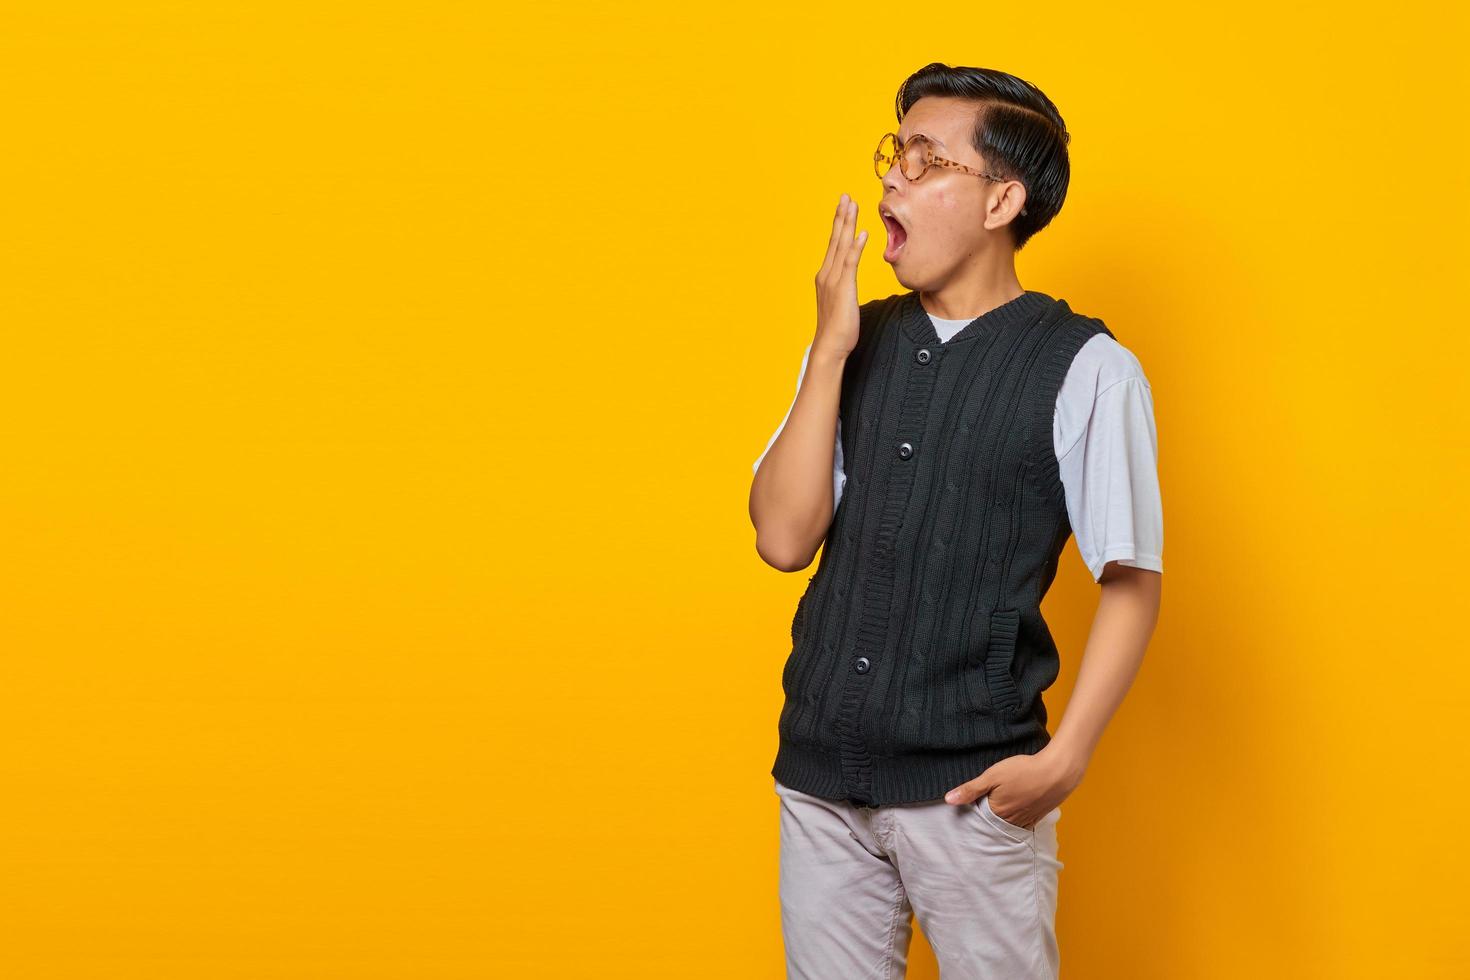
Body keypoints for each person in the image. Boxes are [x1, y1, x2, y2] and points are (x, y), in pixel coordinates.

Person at [747, 63, 1163, 979]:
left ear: (1000, 200)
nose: (893, 177)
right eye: (896, 154)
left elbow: (1132, 580)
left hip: (971, 797)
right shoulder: (856, 341)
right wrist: (827, 347)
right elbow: (782, 539)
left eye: (928, 161)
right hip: (818, 783)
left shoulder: (1088, 367)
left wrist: (1067, 759)